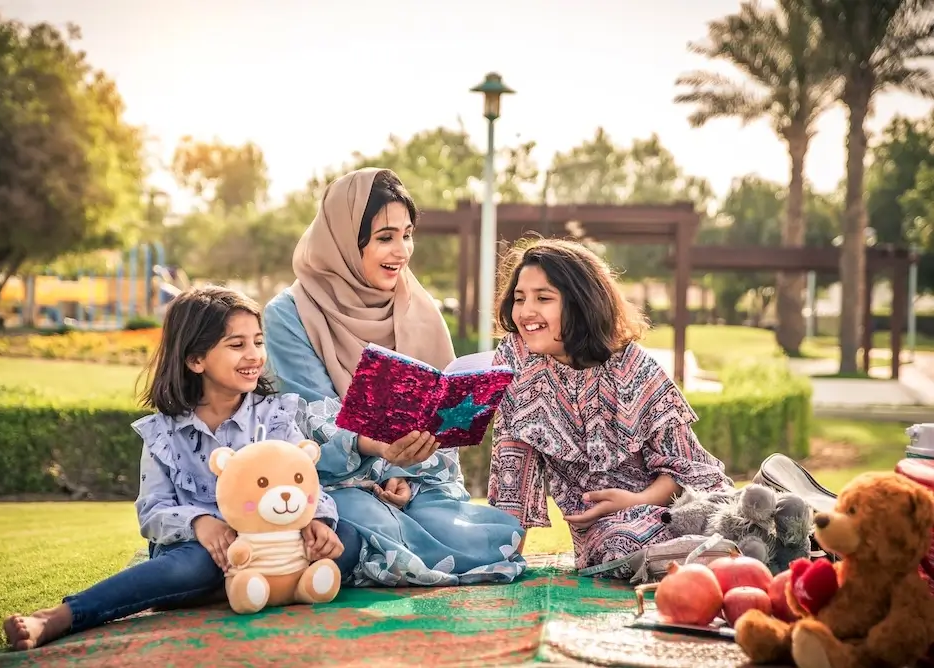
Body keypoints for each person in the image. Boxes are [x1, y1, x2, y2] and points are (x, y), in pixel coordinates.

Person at [4, 286, 351, 651]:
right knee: (193, 567)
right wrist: (200, 523)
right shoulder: (164, 433)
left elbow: (305, 480)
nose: (254, 356)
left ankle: (223, 590)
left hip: (273, 547)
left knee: (347, 541)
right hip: (198, 554)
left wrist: (318, 521)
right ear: (195, 359)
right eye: (237, 345)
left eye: (258, 342)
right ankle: (60, 616)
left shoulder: (276, 416)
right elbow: (152, 512)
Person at [264, 167, 527, 587]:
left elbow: (439, 422)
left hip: (414, 485)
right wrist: (377, 462)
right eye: (386, 237)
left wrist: (401, 473)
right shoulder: (290, 314)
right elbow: (304, 423)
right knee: (366, 525)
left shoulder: (418, 308)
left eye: (407, 235)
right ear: (348, 241)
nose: (402, 250)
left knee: (492, 537)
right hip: (331, 483)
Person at [487, 238, 733, 578]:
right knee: (619, 545)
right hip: (604, 534)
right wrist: (502, 559)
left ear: (580, 303)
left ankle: (750, 537)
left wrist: (636, 501)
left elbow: (686, 471)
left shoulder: (632, 367)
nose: (526, 311)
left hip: (672, 507)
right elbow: (512, 464)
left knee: (726, 525)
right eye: (519, 298)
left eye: (543, 298)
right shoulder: (515, 360)